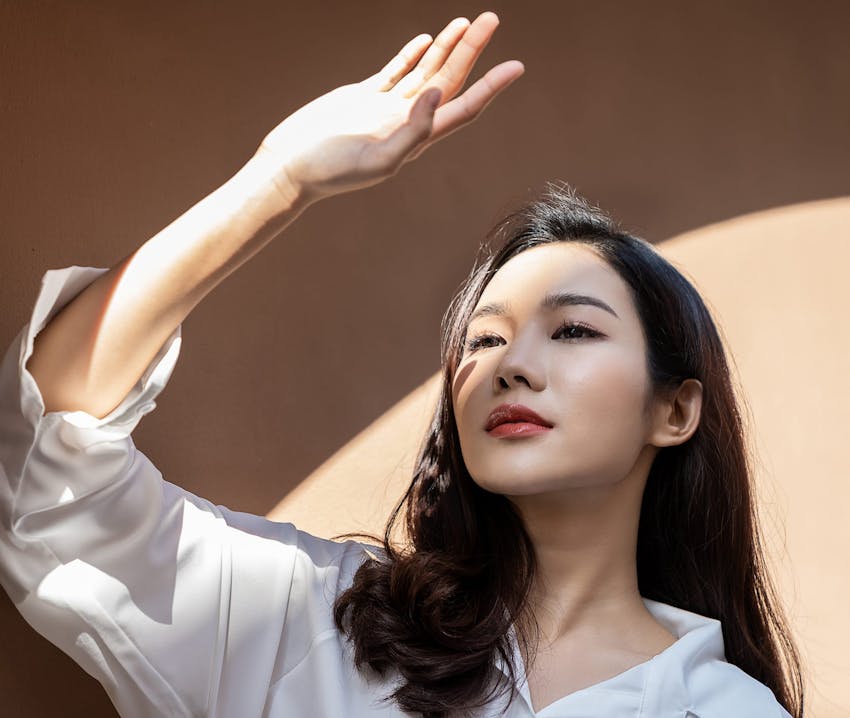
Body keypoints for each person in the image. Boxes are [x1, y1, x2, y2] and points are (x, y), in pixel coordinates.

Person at [0, 11, 803, 718]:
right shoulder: (311, 621)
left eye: (571, 331)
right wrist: (279, 180)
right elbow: (49, 472)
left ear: (675, 410)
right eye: (483, 339)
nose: (511, 366)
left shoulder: (729, 709)